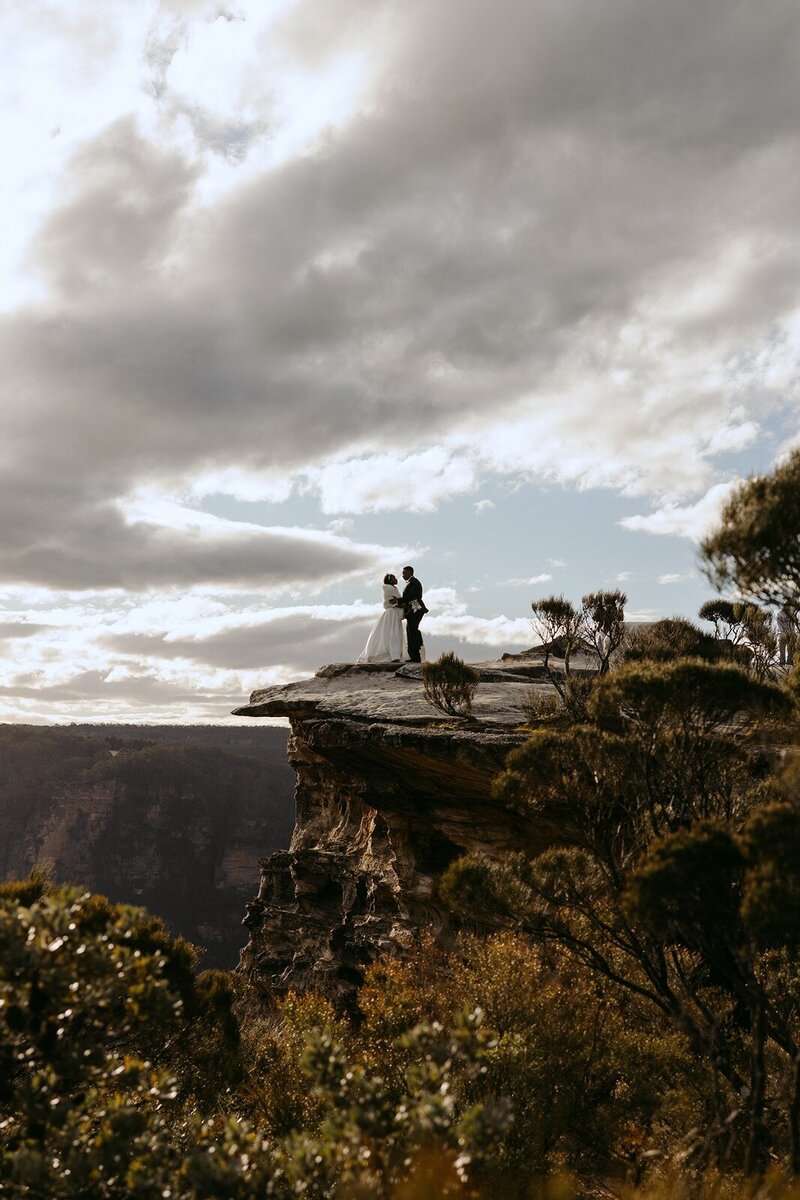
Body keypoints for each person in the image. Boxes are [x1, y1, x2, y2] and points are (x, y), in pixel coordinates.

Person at [357, 573, 405, 663]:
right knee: (392, 633)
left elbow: (397, 601)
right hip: (391, 613)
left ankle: (395, 654)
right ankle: (393, 654)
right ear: (391, 580)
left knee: (393, 632)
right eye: (394, 578)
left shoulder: (394, 588)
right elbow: (393, 602)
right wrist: (402, 605)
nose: (396, 579)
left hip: (394, 613)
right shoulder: (389, 589)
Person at [399, 565, 428, 663]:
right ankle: (414, 655)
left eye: (404, 573)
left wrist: (398, 601)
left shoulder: (414, 583)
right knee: (411, 630)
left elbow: (411, 598)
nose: (402, 575)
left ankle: (415, 656)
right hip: (415, 609)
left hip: (416, 609)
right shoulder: (413, 582)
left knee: (412, 631)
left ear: (409, 572)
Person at [777, 602, 796, 667]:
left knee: (790, 649)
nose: (788, 607)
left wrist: (793, 633)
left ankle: (789, 662)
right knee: (782, 649)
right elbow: (779, 624)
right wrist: (783, 631)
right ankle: (782, 662)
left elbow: (794, 624)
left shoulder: (792, 614)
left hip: (791, 634)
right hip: (782, 634)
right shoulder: (779, 614)